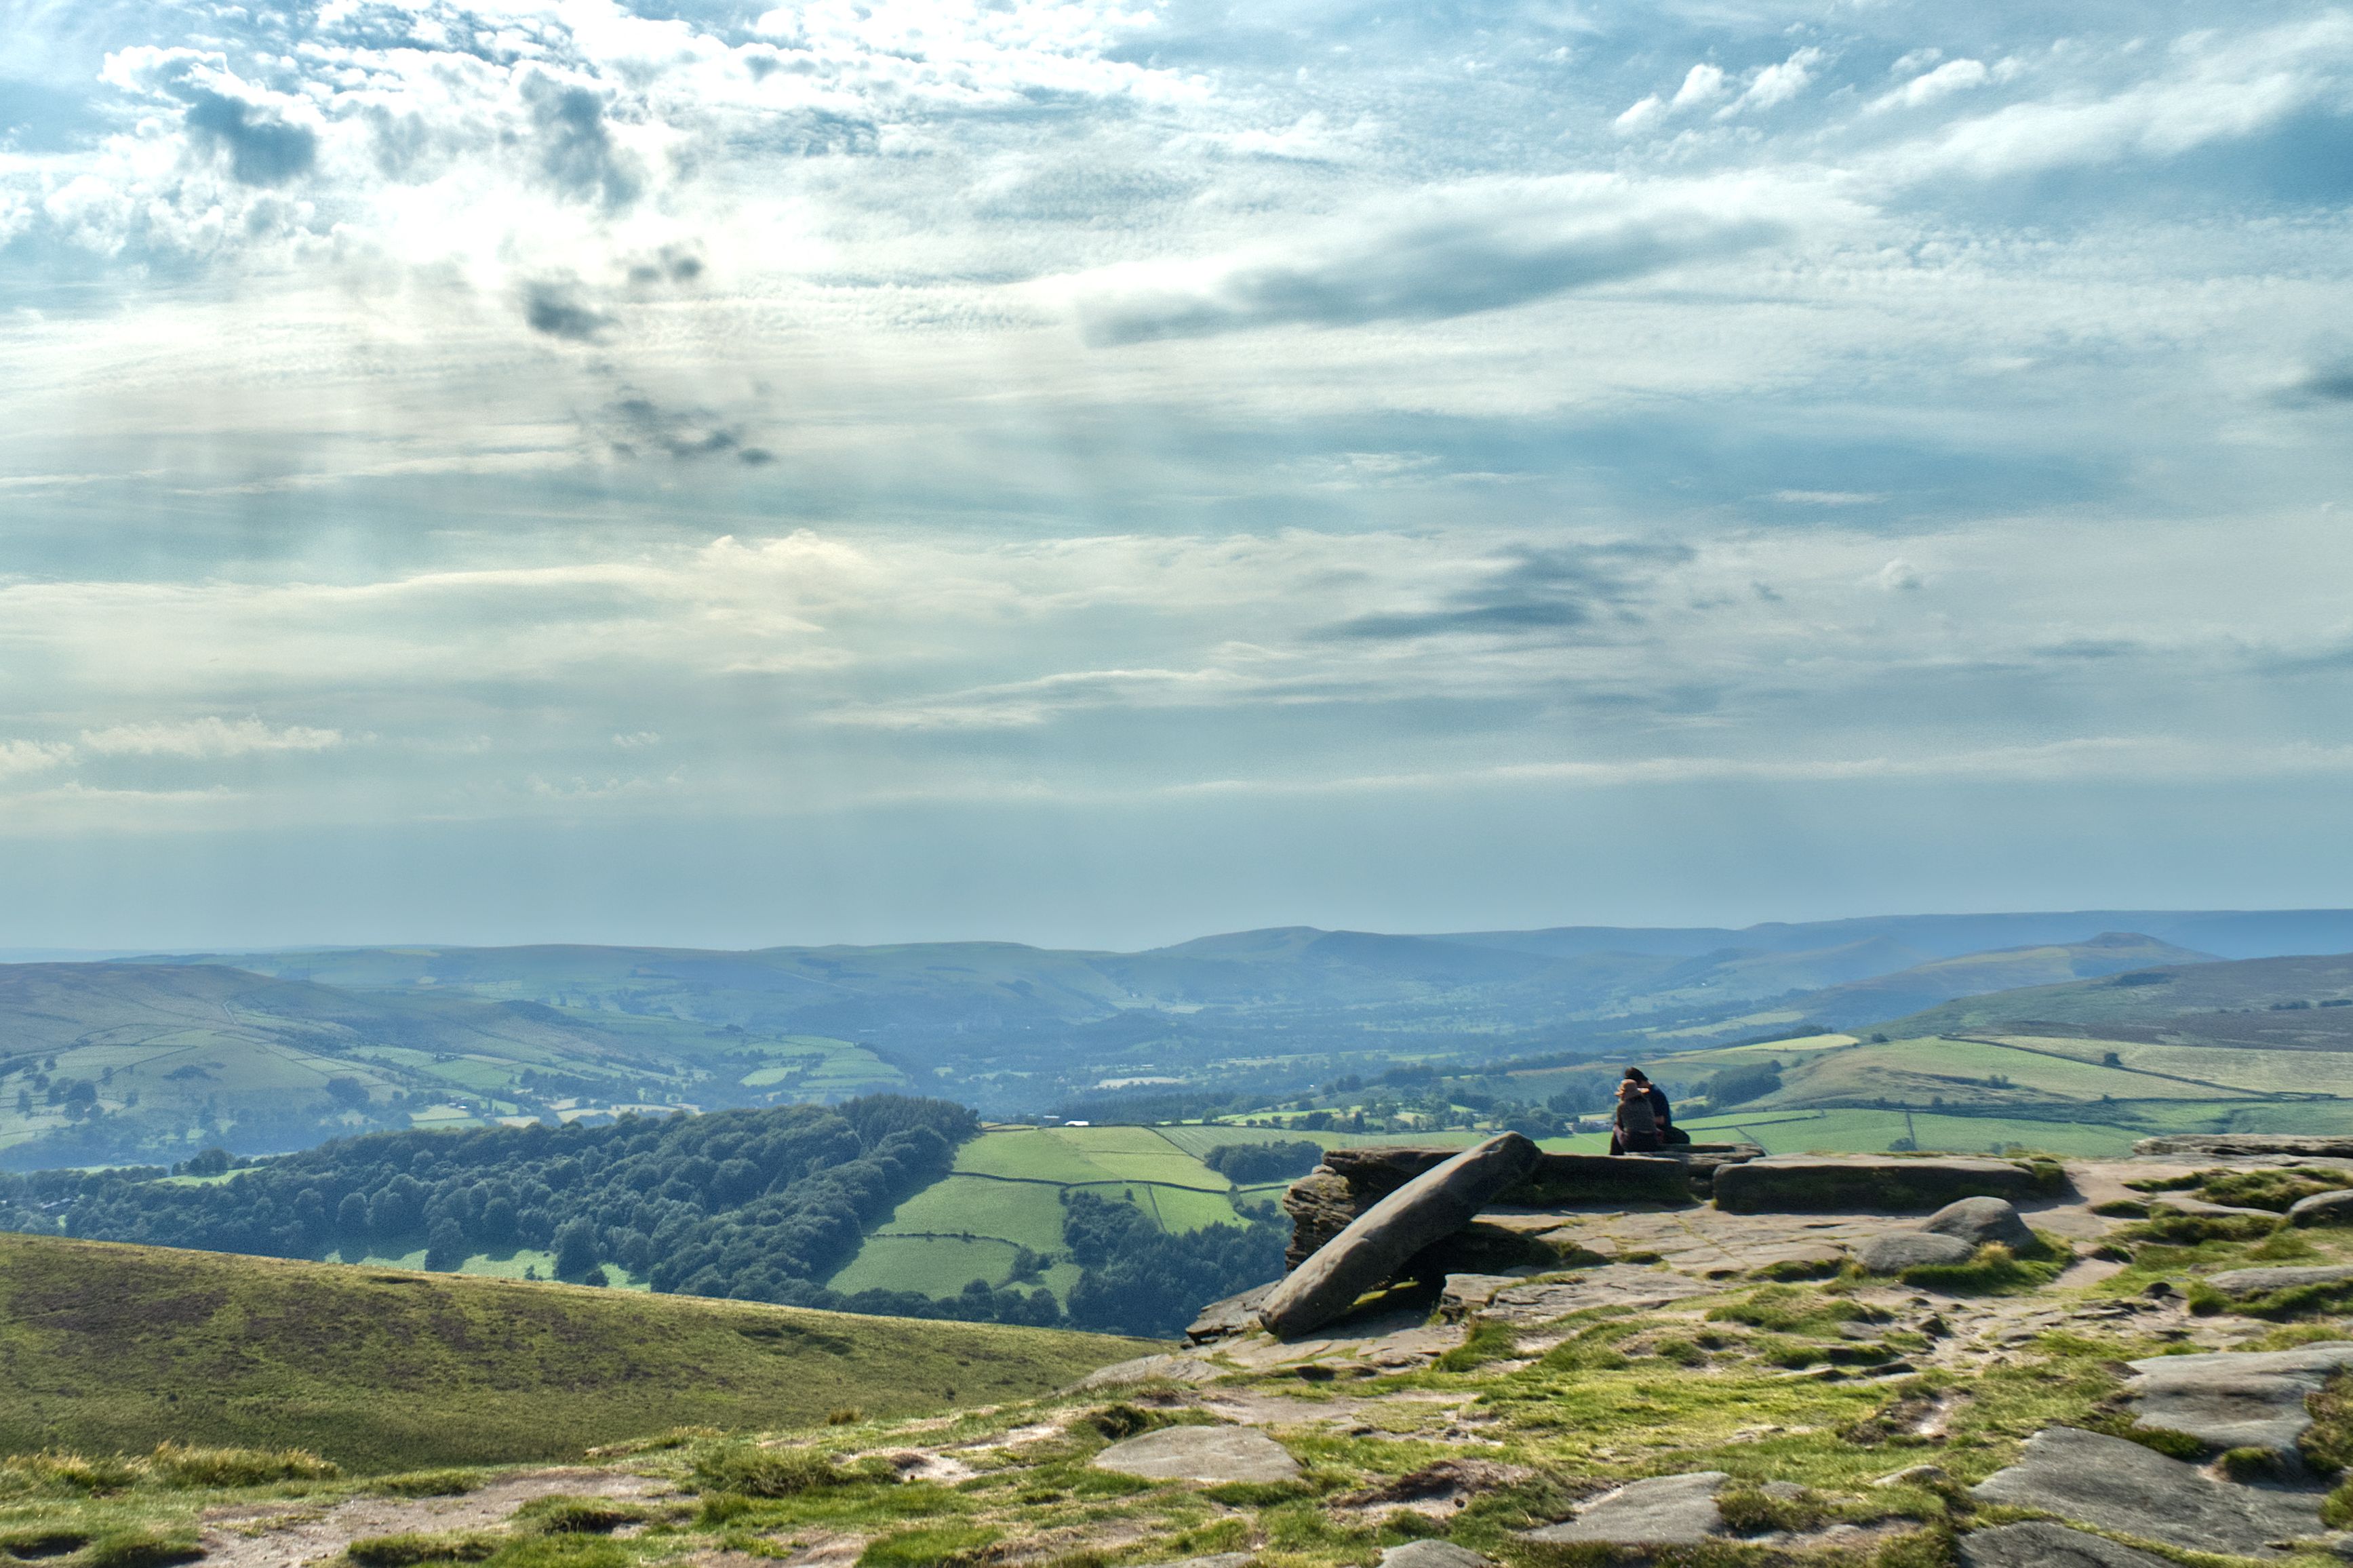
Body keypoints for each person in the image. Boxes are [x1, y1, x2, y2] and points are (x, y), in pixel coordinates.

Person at [1612, 1076, 1662, 1154]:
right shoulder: (1647, 1103)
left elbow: (1620, 1125)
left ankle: (1615, 1156)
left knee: (1616, 1128)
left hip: (1633, 1143)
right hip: (1652, 1143)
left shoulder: (1623, 1106)